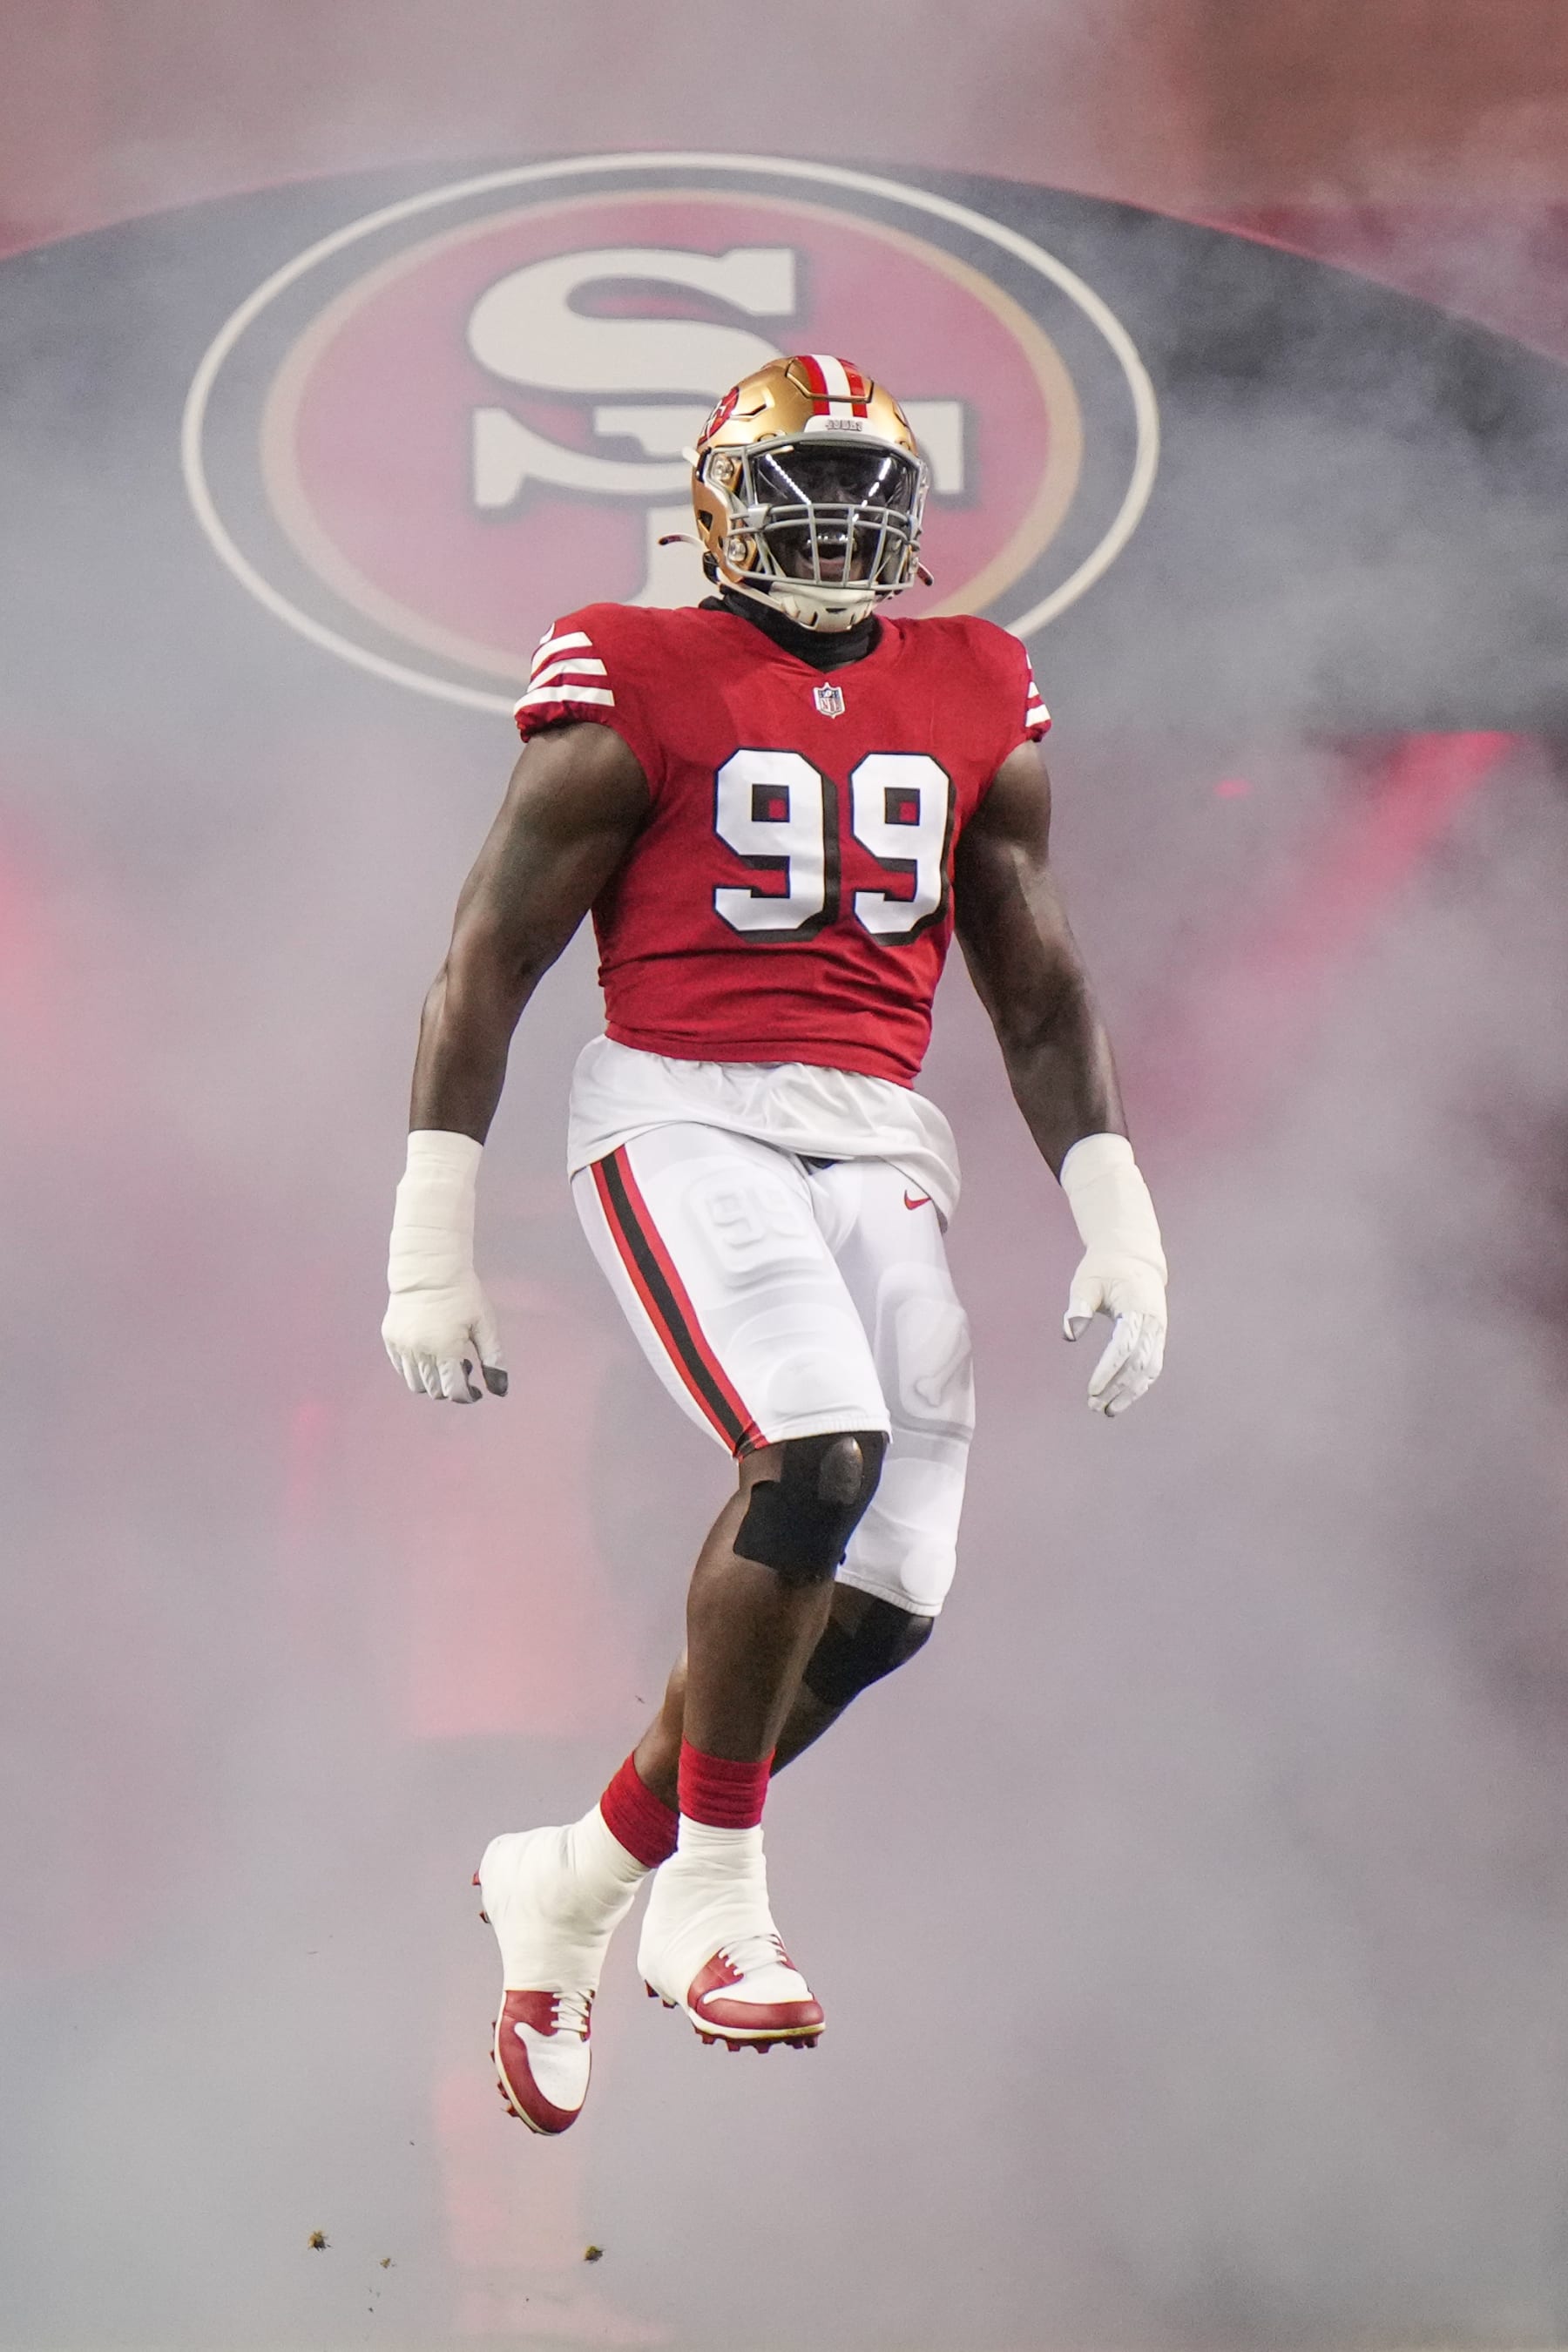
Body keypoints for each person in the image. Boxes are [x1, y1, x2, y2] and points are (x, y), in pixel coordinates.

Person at [382, 354, 1168, 2134]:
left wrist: (1115, 1210)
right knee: (812, 1450)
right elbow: (485, 959)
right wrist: (430, 1226)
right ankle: (713, 1902)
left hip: (876, 1132)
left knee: (889, 1596)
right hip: (681, 1107)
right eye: (804, 482)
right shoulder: (633, 667)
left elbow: (1034, 985)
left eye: (870, 493)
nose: (841, 523)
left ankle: (575, 1881)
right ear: (722, 500)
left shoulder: (976, 679)